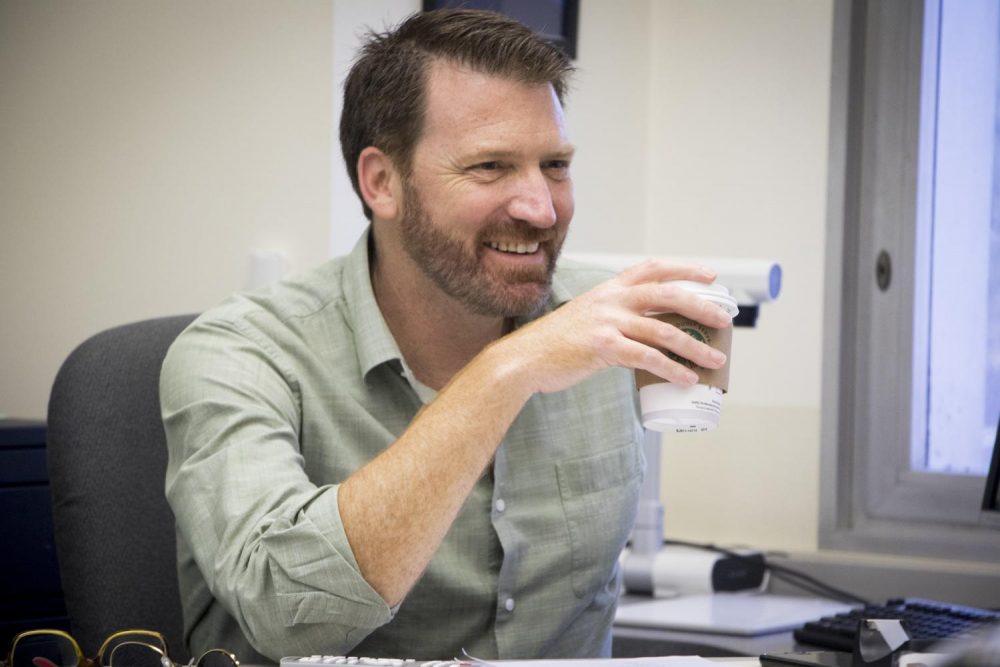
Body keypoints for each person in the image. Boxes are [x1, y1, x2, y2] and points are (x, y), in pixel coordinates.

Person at [160, 8, 731, 664]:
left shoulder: (605, 322)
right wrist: (503, 372)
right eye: (490, 166)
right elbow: (286, 612)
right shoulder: (238, 352)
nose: (541, 209)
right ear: (382, 183)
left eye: (554, 164)